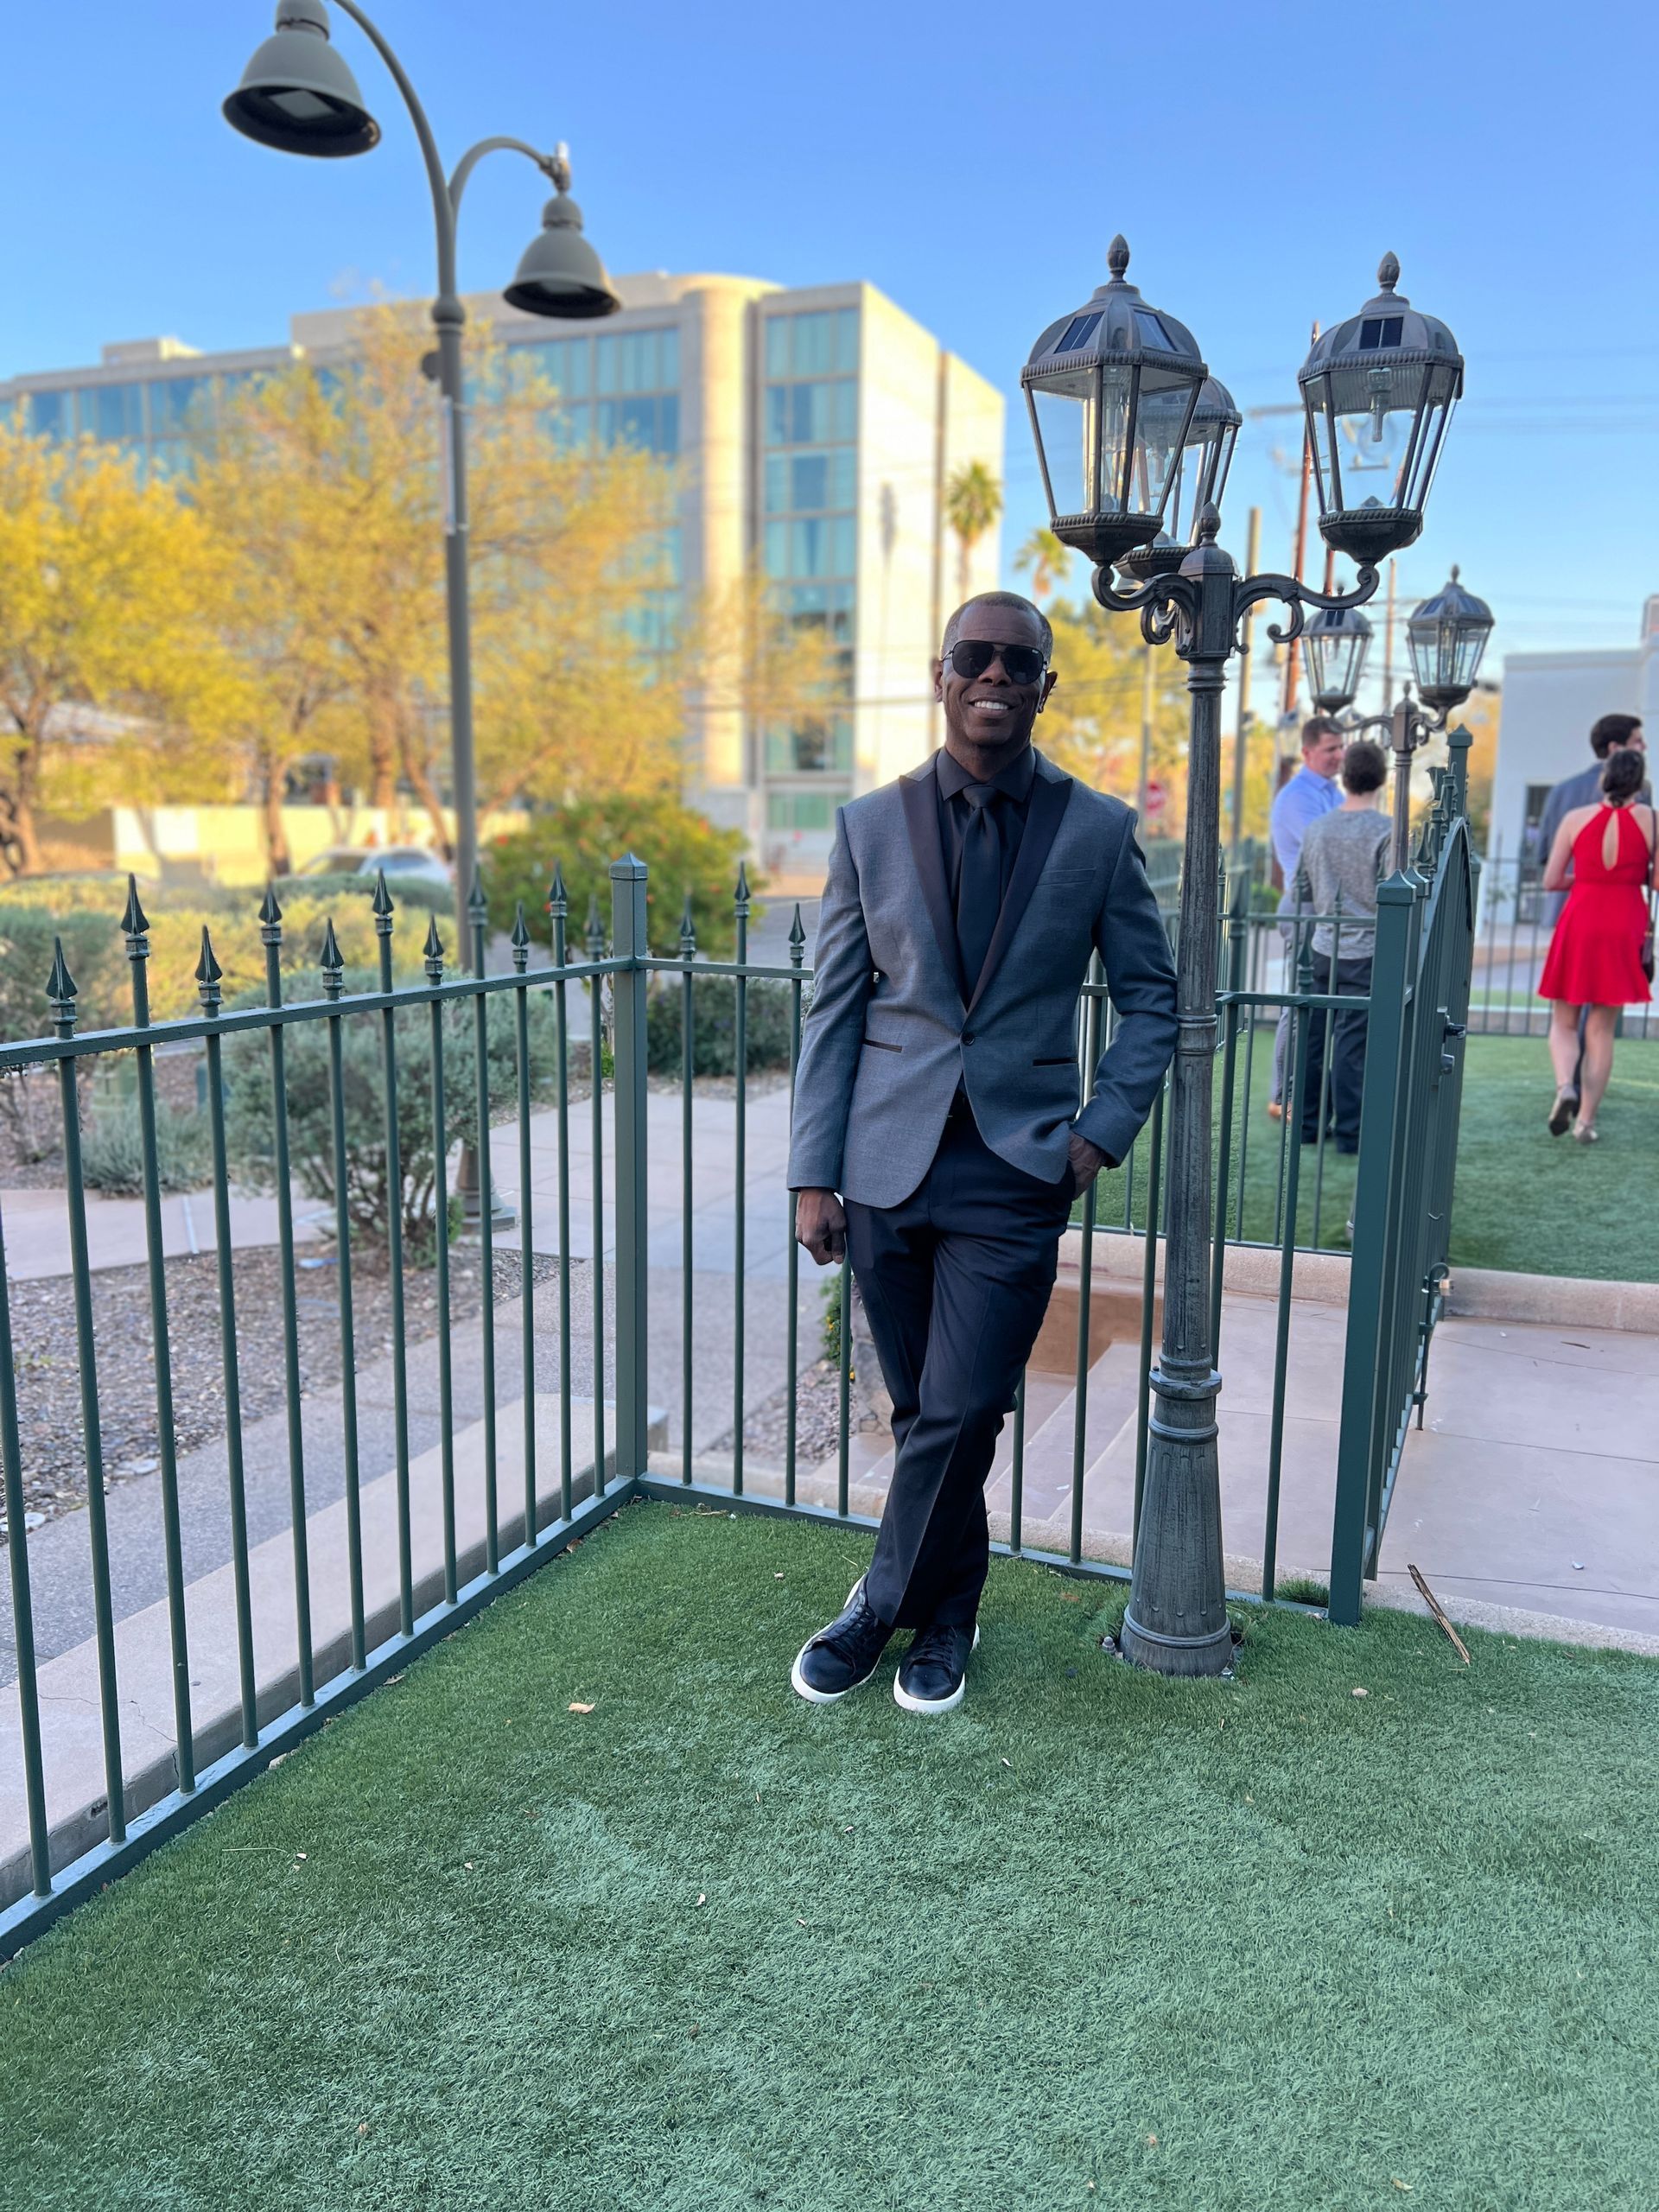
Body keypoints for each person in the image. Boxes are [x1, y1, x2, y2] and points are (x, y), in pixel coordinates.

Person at [786, 591, 1178, 1715]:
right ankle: (951, 1613)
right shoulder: (870, 825)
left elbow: (1152, 999)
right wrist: (815, 1174)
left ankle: (875, 1607)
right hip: (884, 1167)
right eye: (976, 656)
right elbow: (835, 1012)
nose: (995, 675)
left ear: (1046, 684)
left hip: (1017, 1172)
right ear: (943, 673)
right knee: (924, 1414)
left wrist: (1098, 1136)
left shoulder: (1096, 832)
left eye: (1020, 661)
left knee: (964, 1409)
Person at [1536, 747, 1656, 1144]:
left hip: (1581, 918)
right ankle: (1586, 1123)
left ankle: (1563, 1088)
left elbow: (1551, 881)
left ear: (1605, 780)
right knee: (1601, 1031)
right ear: (1638, 784)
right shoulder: (1652, 822)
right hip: (1625, 922)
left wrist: (1587, 879)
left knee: (1564, 1022)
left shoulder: (1575, 819)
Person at [1292, 739, 1391, 1154]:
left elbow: (1301, 886)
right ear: (1382, 778)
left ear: (1344, 777)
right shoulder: (1387, 830)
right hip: (1366, 949)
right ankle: (1351, 1132)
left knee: (1313, 1039)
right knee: (1352, 1043)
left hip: (1322, 944)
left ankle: (1309, 1126)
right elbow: (1394, 892)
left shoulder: (1317, 829)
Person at [1266, 716, 1344, 1121]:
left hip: (1330, 910)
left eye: (1341, 747)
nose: (1339, 755)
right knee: (1298, 1005)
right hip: (1306, 907)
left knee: (1319, 1006)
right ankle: (1284, 1095)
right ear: (1308, 752)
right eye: (1331, 748)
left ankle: (1308, 1093)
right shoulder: (1298, 797)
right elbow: (1328, 850)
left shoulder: (1332, 793)